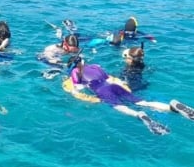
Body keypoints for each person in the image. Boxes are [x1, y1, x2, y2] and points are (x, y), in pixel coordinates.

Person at [66, 55, 194, 135]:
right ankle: (172, 107)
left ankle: (139, 115)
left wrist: (84, 96)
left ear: (72, 66)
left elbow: (78, 89)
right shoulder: (95, 66)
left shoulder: (75, 73)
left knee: (120, 107)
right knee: (143, 102)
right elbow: (110, 79)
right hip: (115, 86)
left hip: (102, 91)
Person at [87, 17, 157, 47]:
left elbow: (111, 33)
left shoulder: (121, 31)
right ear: (135, 28)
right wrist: (153, 40)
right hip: (130, 43)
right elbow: (149, 36)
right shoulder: (138, 33)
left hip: (117, 41)